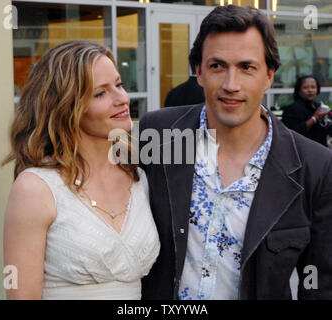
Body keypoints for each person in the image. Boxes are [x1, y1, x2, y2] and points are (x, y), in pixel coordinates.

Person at [140, 5, 332, 300]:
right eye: (217, 66)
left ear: (268, 76)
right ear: (199, 72)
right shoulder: (161, 134)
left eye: (247, 67)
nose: (231, 85)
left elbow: (319, 282)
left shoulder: (314, 165)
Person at [2, 40, 160, 300]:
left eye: (119, 85)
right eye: (101, 93)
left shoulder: (139, 175)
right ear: (66, 108)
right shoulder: (36, 188)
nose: (122, 99)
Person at [282, 75, 332, 147]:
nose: (310, 90)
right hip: (302, 152)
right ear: (299, 91)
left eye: (313, 87)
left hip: (321, 151)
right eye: (305, 87)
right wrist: (314, 118)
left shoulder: (319, 107)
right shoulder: (291, 109)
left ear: (317, 90)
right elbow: (292, 133)